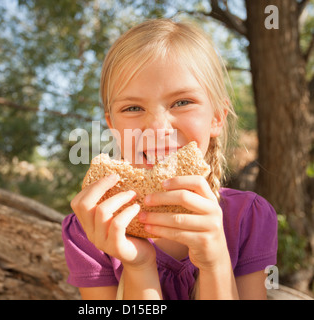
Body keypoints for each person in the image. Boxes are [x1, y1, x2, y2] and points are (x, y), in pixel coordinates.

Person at [62, 19, 278, 300]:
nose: (157, 127)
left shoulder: (249, 218)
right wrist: (139, 265)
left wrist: (214, 261)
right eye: (133, 107)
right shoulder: (89, 228)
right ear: (113, 126)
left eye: (182, 102)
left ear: (217, 117)